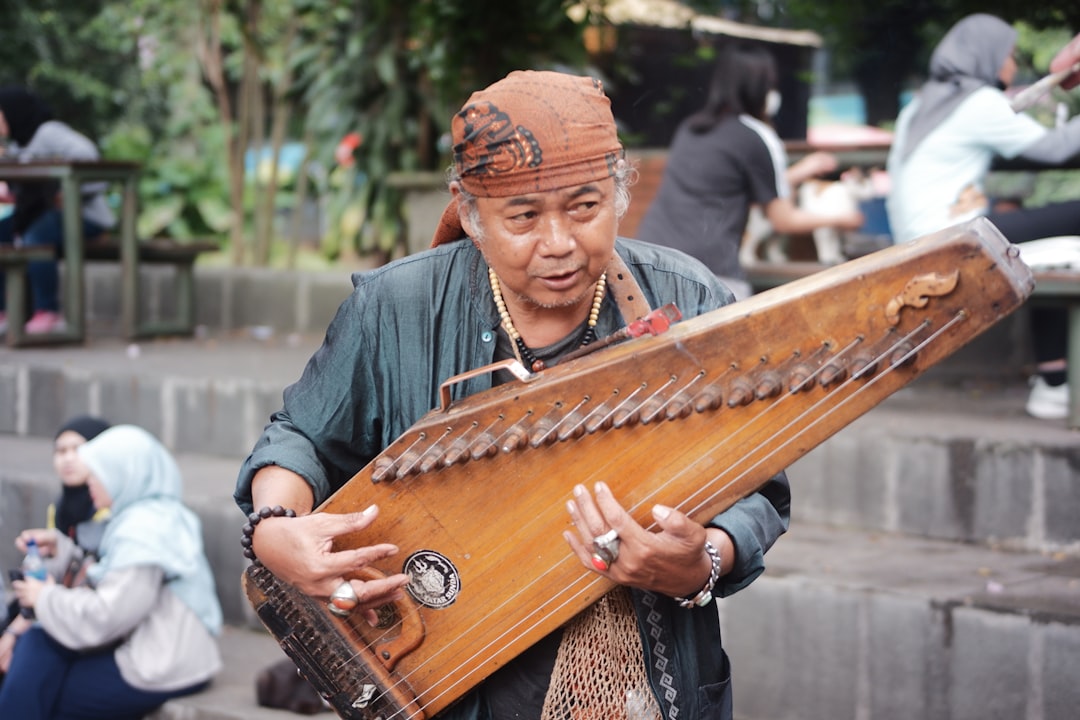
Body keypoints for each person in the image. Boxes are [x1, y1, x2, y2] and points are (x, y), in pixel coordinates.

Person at [235, 69, 790, 720]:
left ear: (618, 195)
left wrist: (702, 563)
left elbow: (758, 480)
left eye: (584, 208)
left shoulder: (689, 300)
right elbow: (299, 435)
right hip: (447, 675)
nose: (557, 245)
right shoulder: (396, 309)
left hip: (643, 684)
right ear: (469, 212)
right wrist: (277, 532)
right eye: (523, 217)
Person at [885, 14, 1080, 420]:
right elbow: (1056, 149)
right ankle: (1056, 381)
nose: (1012, 63)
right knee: (1068, 223)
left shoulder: (922, 104)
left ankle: (1053, 378)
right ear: (988, 56)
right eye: (1009, 54)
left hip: (918, 240)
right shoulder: (978, 103)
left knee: (1039, 241)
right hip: (953, 240)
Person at [0, 425, 223, 718]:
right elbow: (116, 577)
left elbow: (106, 616)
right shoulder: (154, 513)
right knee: (37, 656)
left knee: (39, 681)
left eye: (96, 473)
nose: (89, 481)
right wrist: (64, 549)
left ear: (123, 473)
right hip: (169, 653)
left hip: (158, 664)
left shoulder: (142, 532)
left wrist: (43, 597)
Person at [636, 43, 864, 299]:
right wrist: (841, 218)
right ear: (760, 88)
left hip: (650, 265)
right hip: (707, 275)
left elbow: (730, 187)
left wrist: (802, 170)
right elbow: (783, 219)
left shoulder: (691, 128)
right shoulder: (756, 136)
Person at [1, 414, 111, 678]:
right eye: (60, 451)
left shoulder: (108, 511)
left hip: (86, 613)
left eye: (78, 449)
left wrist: (16, 630)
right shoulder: (61, 507)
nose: (68, 458)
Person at [0, 86, 116, 336]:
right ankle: (6, 312)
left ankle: (48, 312)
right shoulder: (19, 145)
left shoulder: (48, 132)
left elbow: (89, 156)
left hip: (85, 216)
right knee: (4, 232)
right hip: (45, 218)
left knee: (35, 237)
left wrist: (68, 191)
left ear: (11, 112)